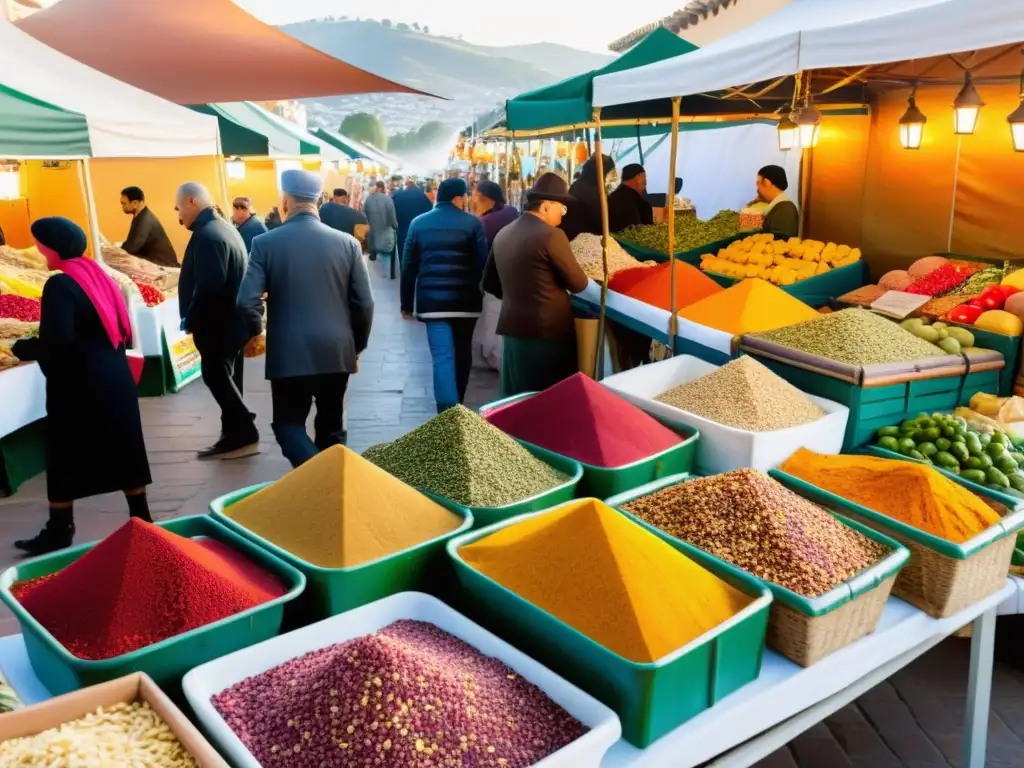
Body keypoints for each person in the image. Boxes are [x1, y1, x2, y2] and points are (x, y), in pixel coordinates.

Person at [12, 217, 152, 555]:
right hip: (114, 378)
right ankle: (143, 520)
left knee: (64, 452)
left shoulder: (61, 284)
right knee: (125, 449)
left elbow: (58, 341)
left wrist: (24, 348)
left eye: (40, 243)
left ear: (51, 246)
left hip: (81, 385)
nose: (38, 249)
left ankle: (59, 529)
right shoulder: (98, 276)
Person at [237, 170, 374, 468]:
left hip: (289, 352)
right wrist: (356, 346)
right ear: (318, 200)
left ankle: (319, 479)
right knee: (332, 429)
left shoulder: (265, 243)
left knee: (288, 426)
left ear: (285, 200)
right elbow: (364, 303)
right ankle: (333, 489)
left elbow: (245, 299)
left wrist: (255, 330)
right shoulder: (347, 244)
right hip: (336, 349)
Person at [481, 174, 588, 397]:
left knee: (514, 398)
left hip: (512, 332)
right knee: (544, 400)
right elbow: (579, 283)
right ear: (547, 207)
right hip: (547, 335)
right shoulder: (552, 235)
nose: (563, 213)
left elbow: (490, 283)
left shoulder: (504, 232)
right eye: (563, 208)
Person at [176, 182, 258, 460]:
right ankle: (234, 432)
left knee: (215, 374)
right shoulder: (222, 227)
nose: (179, 216)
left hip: (218, 322)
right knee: (226, 376)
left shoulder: (209, 234)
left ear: (191, 201)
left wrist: (191, 317)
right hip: (230, 321)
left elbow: (210, 284)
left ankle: (243, 426)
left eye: (179, 209)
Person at [401, 178, 488, 413]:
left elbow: (408, 266)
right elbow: (483, 264)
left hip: (432, 304)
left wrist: (406, 303)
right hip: (466, 302)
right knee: (462, 353)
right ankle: (459, 404)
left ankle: (446, 411)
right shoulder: (473, 224)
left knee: (442, 357)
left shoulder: (418, 223)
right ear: (457, 198)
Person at [561, 154, 616, 242]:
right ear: (602, 172)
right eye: (609, 172)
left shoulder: (577, 185)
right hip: (585, 241)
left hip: (572, 238)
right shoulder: (594, 192)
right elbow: (601, 222)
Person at [119, 186, 178, 268]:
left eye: (124, 204)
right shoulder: (140, 216)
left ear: (135, 203)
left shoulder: (145, 220)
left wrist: (115, 252)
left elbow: (132, 247)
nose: (122, 207)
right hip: (156, 262)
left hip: (163, 265)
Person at [392, 179, 433, 263]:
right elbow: (430, 213)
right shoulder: (423, 196)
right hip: (419, 232)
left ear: (407, 185)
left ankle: (404, 272)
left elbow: (391, 213)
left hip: (402, 231)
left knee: (403, 255)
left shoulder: (397, 196)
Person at [757, 164, 800, 238]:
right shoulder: (776, 206)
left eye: (758, 184)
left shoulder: (785, 209)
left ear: (766, 182)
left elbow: (779, 243)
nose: (757, 189)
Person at [608, 163, 654, 232]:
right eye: (644, 177)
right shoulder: (642, 205)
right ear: (638, 176)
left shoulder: (610, 198)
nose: (646, 182)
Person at [473, 180, 518, 247]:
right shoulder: (512, 211)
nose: (472, 200)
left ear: (482, 197)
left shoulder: (484, 223)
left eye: (474, 195)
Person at [363, 180, 398, 266]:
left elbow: (364, 215)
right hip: (385, 239)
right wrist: (395, 226)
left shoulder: (368, 199)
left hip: (371, 239)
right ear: (382, 188)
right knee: (386, 260)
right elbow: (392, 219)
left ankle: (373, 256)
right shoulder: (388, 200)